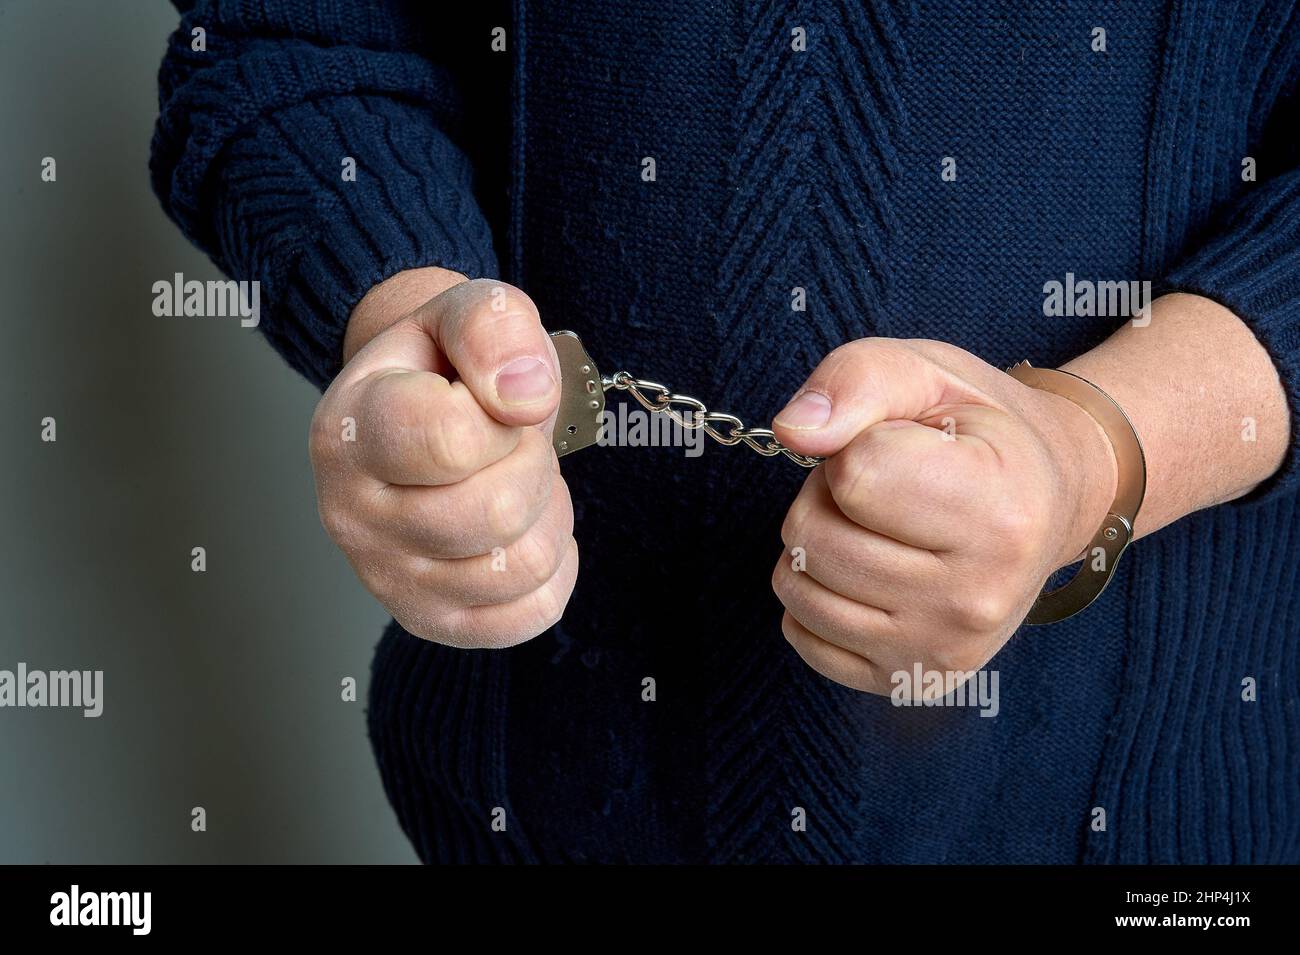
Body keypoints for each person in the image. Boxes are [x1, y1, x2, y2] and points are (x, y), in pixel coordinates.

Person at [151, 0, 1300, 863]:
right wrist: (403, 318)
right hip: (529, 817)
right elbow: (283, 38)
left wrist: (1096, 449)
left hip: (1166, 831)